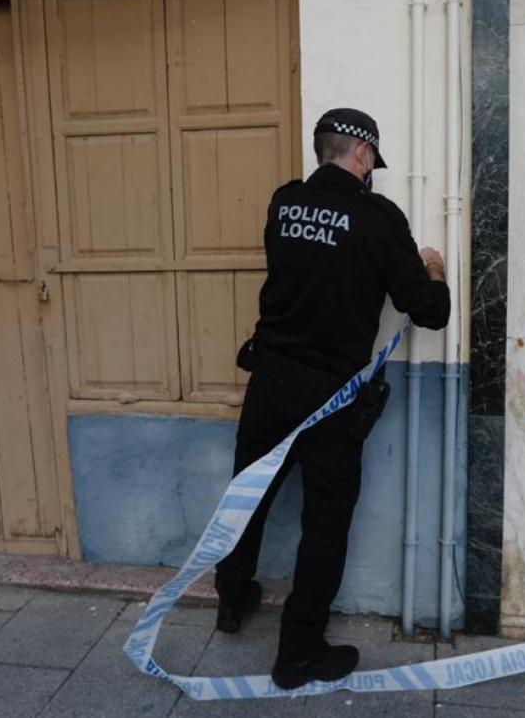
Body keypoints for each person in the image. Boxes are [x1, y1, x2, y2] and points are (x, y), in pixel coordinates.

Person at [213, 108, 451, 689]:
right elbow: (431, 311)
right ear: (364, 157)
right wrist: (434, 270)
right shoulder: (378, 217)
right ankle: (297, 653)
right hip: (330, 397)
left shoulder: (283, 202)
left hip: (268, 382)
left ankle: (231, 600)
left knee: (249, 497)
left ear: (323, 150)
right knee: (325, 522)